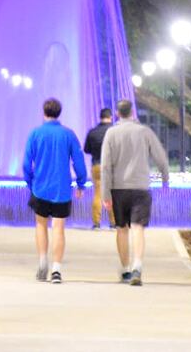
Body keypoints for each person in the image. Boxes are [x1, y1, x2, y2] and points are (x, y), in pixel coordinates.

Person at [100, 99, 170, 287]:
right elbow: (161, 157)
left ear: (117, 113)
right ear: (133, 112)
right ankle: (137, 267)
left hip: (118, 188)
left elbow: (105, 166)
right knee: (138, 227)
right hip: (140, 187)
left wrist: (105, 194)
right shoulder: (144, 132)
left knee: (122, 229)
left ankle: (125, 270)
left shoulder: (111, 133)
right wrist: (165, 179)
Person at [22, 98, 87, 284]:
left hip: (40, 188)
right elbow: (78, 161)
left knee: (40, 225)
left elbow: (27, 163)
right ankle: (56, 269)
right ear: (59, 113)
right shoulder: (68, 134)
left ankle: (43, 262)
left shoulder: (35, 133)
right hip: (61, 190)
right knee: (58, 228)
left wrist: (30, 182)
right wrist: (81, 183)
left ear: (44, 112)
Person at [83, 108, 113, 229]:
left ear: (100, 117)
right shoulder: (114, 131)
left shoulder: (92, 132)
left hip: (97, 165)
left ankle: (96, 223)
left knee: (97, 194)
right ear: (110, 117)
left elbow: (86, 150)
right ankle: (114, 223)